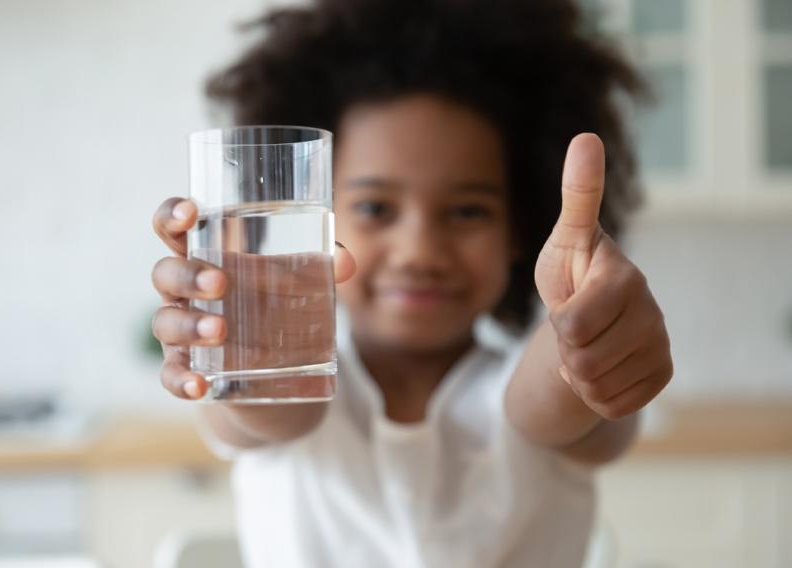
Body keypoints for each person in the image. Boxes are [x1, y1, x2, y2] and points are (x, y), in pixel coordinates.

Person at [150, 0, 672, 566]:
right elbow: (269, 406)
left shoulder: (534, 388)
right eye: (375, 207)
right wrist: (233, 339)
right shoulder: (279, 380)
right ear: (315, 215)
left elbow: (551, 398)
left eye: (467, 212)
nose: (420, 251)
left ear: (523, 228)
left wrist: (587, 336)